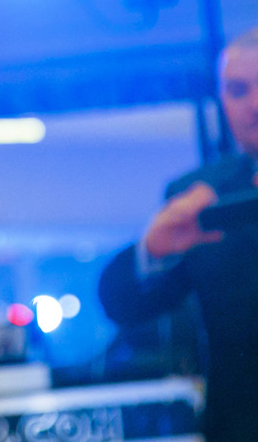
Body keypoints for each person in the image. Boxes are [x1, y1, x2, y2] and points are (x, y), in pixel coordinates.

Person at [99, 27, 258, 442]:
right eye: (238, 90)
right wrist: (150, 251)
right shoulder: (198, 197)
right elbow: (126, 305)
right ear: (222, 98)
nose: (255, 104)